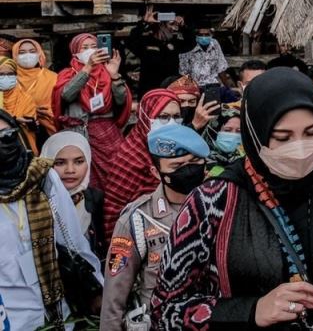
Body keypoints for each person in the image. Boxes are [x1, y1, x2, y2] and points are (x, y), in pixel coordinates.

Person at [151, 67, 313, 330]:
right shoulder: (213, 201)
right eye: (282, 137)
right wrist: (251, 311)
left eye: (311, 132)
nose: (300, 148)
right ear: (255, 133)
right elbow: (165, 309)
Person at [100, 123, 210, 330]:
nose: (188, 170)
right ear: (155, 171)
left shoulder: (221, 206)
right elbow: (114, 293)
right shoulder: (138, 219)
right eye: (177, 166)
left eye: (195, 162)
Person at [0, 111, 103, 329]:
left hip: (58, 316)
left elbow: (74, 242)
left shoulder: (42, 177)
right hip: (12, 321)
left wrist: (99, 290)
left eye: (6, 136)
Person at [52, 33, 133, 193]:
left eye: (94, 46)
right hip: (79, 132)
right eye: (85, 47)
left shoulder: (106, 72)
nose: (91, 51)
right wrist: (87, 68)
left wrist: (114, 75)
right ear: (75, 52)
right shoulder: (68, 74)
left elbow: (121, 100)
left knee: (116, 174)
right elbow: (67, 94)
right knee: (84, 179)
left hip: (106, 133)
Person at [103, 88, 182, 240]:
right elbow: (114, 208)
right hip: (136, 233)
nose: (171, 123)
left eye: (176, 116)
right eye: (163, 117)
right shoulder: (131, 155)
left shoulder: (177, 148)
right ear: (146, 117)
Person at [40, 130, 106, 259]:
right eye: (60, 163)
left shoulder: (95, 199)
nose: (70, 170)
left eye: (79, 161)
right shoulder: (37, 203)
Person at [5, 40, 58, 154]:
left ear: (39, 53)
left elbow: (59, 105)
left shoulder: (52, 78)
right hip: (16, 132)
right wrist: (30, 110)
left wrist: (44, 111)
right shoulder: (7, 77)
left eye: (32, 51)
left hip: (47, 129)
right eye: (22, 52)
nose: (27, 55)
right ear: (15, 55)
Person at [127, 9, 193, 93]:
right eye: (171, 24)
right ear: (161, 25)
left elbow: (191, 43)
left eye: (176, 25)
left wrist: (183, 26)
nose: (174, 28)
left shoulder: (175, 43)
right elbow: (130, 42)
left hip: (169, 90)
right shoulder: (146, 42)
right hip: (150, 91)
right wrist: (144, 23)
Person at [206, 107, 243, 177]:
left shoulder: (245, 161)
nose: (233, 135)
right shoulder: (197, 161)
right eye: (227, 130)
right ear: (214, 131)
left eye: (239, 131)